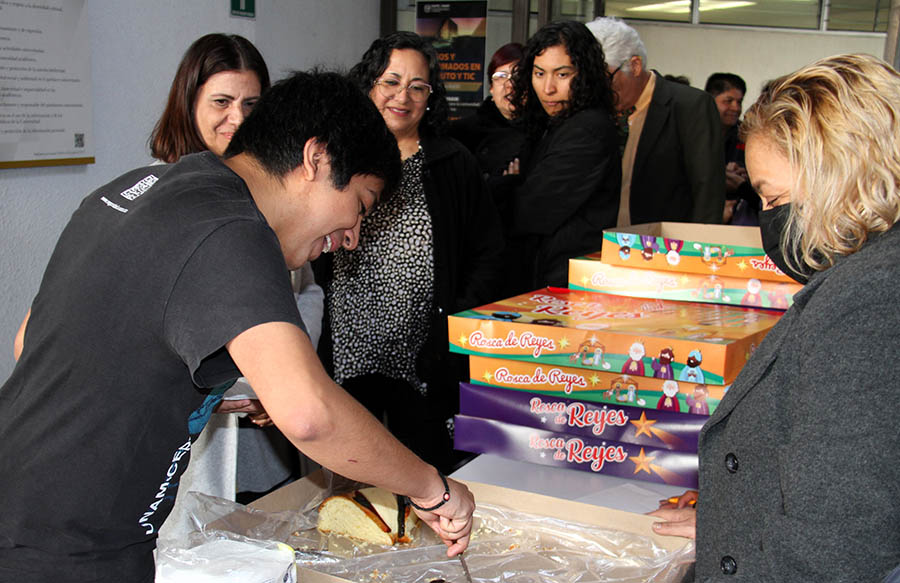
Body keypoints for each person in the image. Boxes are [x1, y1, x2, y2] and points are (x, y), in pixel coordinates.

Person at [0, 70, 475, 583]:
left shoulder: (139, 189)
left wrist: (187, 390)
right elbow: (311, 416)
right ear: (316, 158)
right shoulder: (235, 230)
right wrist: (432, 489)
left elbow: (31, 341)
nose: (352, 236)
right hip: (65, 547)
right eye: (360, 205)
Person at [649, 54, 900, 581]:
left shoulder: (869, 302)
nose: (768, 217)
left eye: (775, 197)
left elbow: (836, 541)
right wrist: (730, 524)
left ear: (839, 173)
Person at [148, 34, 323, 519]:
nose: (238, 119)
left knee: (272, 527)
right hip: (191, 430)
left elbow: (305, 289)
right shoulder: (159, 192)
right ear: (189, 104)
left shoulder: (274, 189)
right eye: (221, 102)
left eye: (252, 104)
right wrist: (256, 377)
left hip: (267, 427)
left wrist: (284, 375)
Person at [314, 32, 503, 476]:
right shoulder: (334, 156)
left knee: (424, 472)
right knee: (350, 475)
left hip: (424, 357)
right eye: (391, 82)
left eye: (418, 87)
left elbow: (488, 252)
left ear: (430, 98)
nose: (403, 96)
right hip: (346, 349)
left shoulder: (452, 162)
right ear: (369, 84)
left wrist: (455, 322)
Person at [507, 20, 621, 289]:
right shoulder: (554, 122)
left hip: (565, 282)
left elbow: (532, 210)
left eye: (562, 74)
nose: (548, 88)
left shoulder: (587, 129)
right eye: (539, 73)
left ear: (585, 75)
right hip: (551, 275)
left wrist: (504, 185)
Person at [586, 17, 724, 227]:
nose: (597, 89)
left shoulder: (689, 105)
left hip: (664, 242)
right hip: (599, 239)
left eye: (604, 78)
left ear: (635, 65)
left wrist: (700, 244)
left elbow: (707, 191)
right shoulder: (592, 110)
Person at [449, 42, 528, 297]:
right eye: (500, 76)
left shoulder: (544, 136)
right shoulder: (461, 135)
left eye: (518, 76)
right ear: (490, 86)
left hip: (521, 263)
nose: (509, 85)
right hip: (472, 261)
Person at [705, 72, 759, 225]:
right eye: (728, 101)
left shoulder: (746, 134)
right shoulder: (694, 133)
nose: (736, 108)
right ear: (709, 101)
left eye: (739, 102)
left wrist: (743, 175)